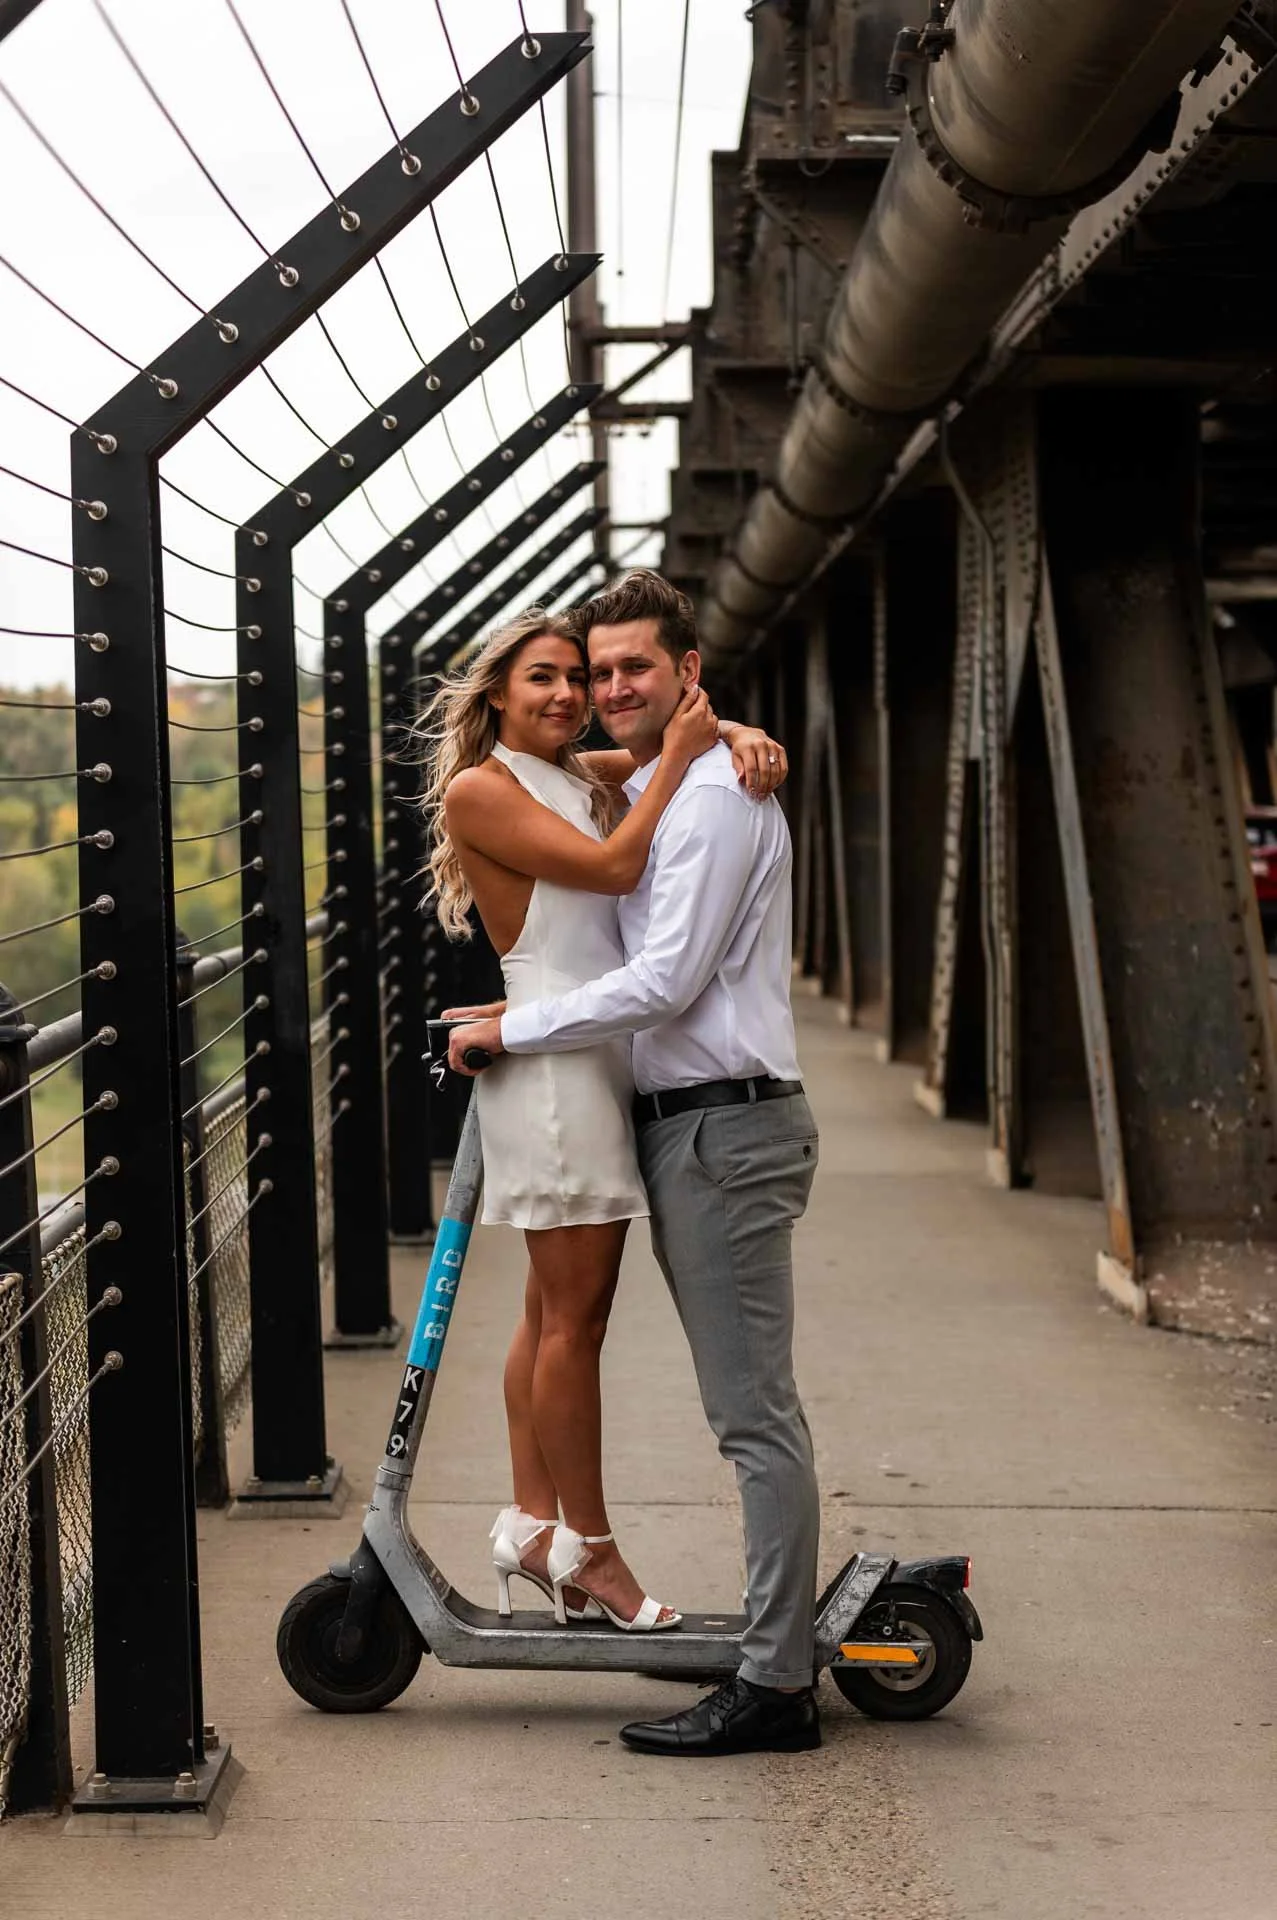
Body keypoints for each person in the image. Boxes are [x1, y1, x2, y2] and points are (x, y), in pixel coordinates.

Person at [449, 570, 823, 1757]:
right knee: (565, 1321)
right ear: (499, 696)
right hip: (598, 1082)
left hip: (681, 1103)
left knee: (698, 1388)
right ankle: (561, 1537)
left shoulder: (628, 782)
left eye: (615, 671)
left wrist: (718, 744)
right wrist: (696, 747)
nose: (591, 691)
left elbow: (652, 958)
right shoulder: (517, 782)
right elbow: (615, 875)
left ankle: (765, 1682)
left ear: (685, 674)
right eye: (561, 674)